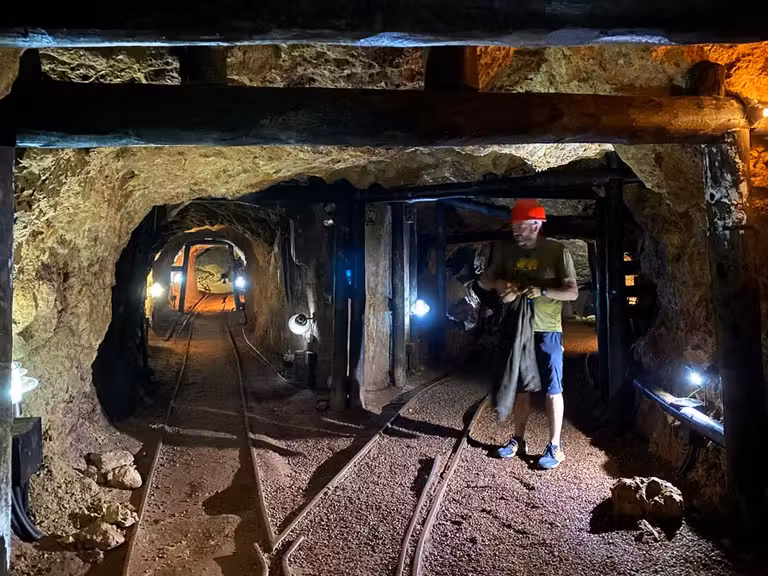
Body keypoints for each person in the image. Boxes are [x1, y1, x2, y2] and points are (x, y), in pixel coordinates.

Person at [478, 199, 578, 469]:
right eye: (514, 228)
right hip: (516, 329)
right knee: (521, 387)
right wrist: (501, 283)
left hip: (547, 329)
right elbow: (484, 279)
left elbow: (572, 292)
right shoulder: (506, 251)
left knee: (552, 388)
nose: (517, 232)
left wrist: (543, 291)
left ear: (536, 225)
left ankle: (555, 446)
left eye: (522, 227)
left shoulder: (557, 251)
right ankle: (518, 439)